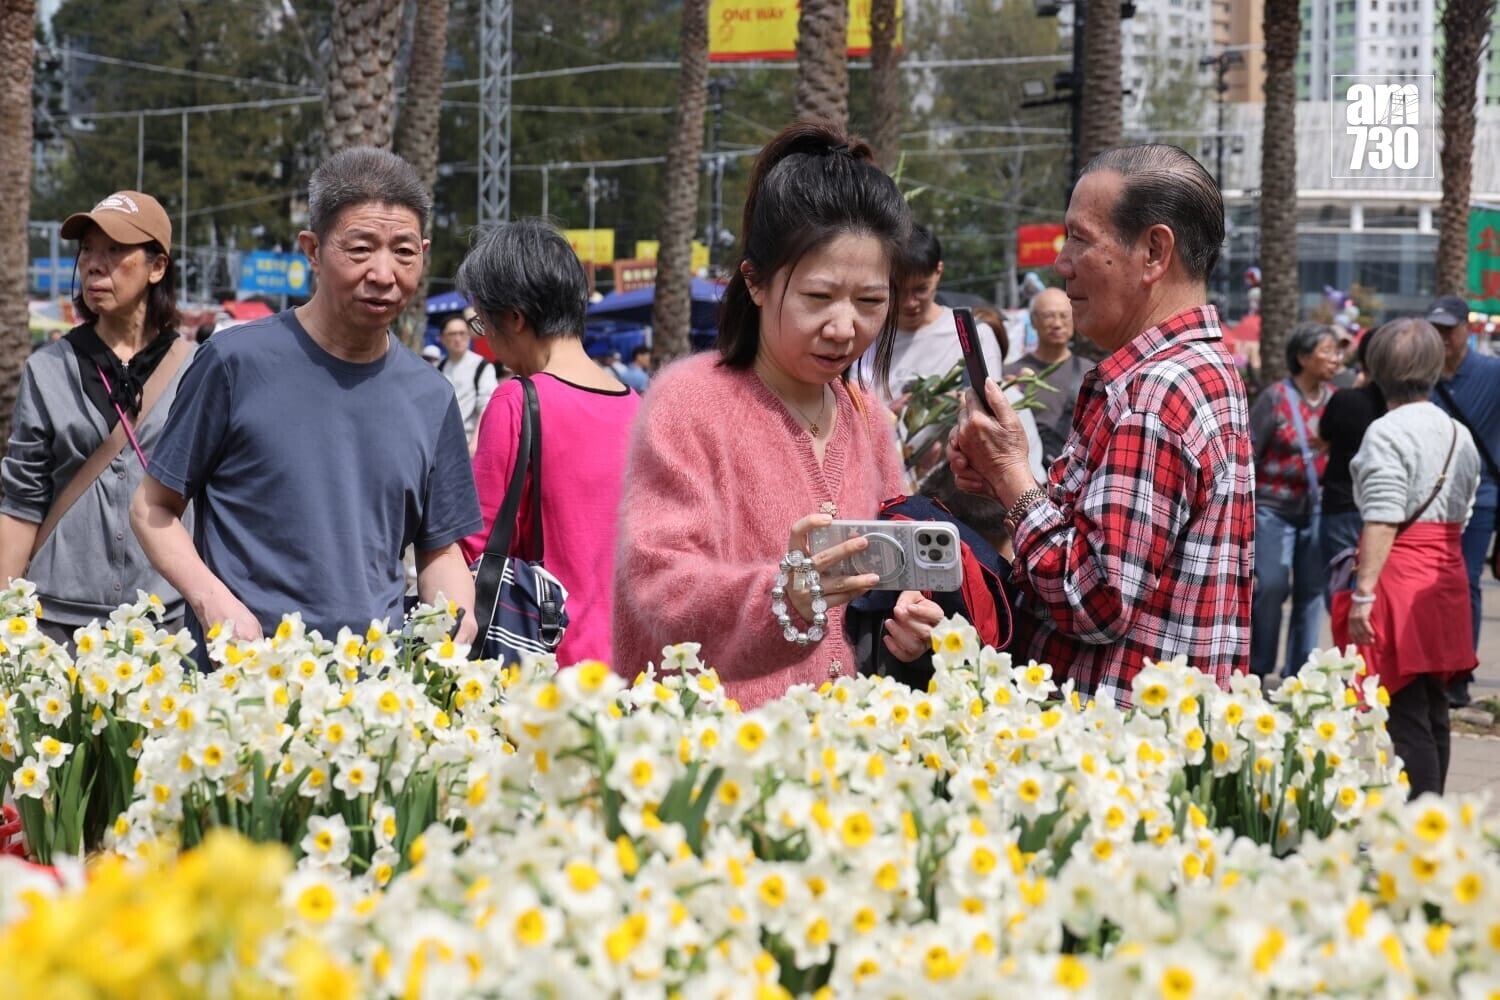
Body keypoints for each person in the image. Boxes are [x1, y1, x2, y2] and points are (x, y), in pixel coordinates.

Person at [612, 120, 945, 709]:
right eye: (818, 298)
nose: (845, 328)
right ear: (757, 283)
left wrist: (908, 623)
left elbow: (890, 583)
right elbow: (656, 586)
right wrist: (785, 595)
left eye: (871, 301)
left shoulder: (867, 420)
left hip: (843, 760)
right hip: (719, 763)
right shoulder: (688, 403)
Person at [131, 148, 482, 649]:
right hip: (245, 683)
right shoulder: (234, 363)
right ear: (312, 250)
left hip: (377, 699)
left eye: (404, 252)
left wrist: (454, 616)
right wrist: (212, 599)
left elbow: (440, 551)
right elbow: (151, 507)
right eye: (360, 249)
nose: (384, 273)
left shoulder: (431, 396)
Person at [948, 144, 1254, 706]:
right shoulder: (1195, 370)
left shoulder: (1155, 392)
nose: (1062, 264)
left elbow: (1091, 599)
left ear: (1154, 251)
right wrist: (1004, 467)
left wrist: (1013, 479)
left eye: (1081, 239)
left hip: (1113, 752)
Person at [1, 190, 194, 644]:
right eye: (87, 248)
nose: (94, 263)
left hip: (166, 624)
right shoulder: (47, 370)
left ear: (157, 267)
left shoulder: (199, 370)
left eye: (115, 250)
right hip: (57, 626)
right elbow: (21, 501)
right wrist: (7, 623)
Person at [457, 220, 640, 667]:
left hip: (544, 662)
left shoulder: (517, 401)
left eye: (483, 322)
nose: (488, 342)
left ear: (515, 318)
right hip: (630, 667)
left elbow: (475, 548)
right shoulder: (638, 407)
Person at [1336, 319, 1480, 797]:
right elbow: (1467, 507)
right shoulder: (1459, 433)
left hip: (1399, 577)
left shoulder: (1385, 432)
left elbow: (1382, 518)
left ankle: (1419, 822)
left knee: (1403, 708)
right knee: (1434, 703)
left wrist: (1363, 595)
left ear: (1377, 369)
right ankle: (1434, 815)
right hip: (1448, 574)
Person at [858, 226, 1045, 482]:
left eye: (921, 289)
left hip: (948, 490)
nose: (910, 302)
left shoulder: (970, 335)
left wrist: (942, 404)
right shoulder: (866, 336)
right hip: (878, 480)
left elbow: (984, 415)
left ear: (938, 272)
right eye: (898, 291)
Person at [1248, 321, 1343, 677]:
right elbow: (1250, 453)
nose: (1336, 359)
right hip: (1273, 509)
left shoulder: (1336, 399)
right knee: (1271, 585)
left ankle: (1299, 675)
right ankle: (1257, 669)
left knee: (1312, 593)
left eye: (1337, 351)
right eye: (1328, 351)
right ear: (1303, 357)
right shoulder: (1275, 397)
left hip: (1318, 512)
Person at [1427, 294, 1500, 708]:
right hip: (1429, 499)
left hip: (1481, 496)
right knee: (1430, 584)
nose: (1441, 338)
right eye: (1434, 330)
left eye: (1447, 330)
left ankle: (1460, 672)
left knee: (1465, 582)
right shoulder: (1422, 372)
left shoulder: (1491, 372)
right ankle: (1431, 667)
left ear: (1465, 331)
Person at [1318, 325, 1388, 597]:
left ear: (1362, 362)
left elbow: (1323, 437)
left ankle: (1347, 640)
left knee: (1340, 594)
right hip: (1387, 510)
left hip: (1341, 506)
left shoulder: (1344, 400)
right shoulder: (1404, 409)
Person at [1005, 287, 1089, 467]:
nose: (1057, 323)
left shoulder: (1092, 373)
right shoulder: (1010, 375)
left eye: (1064, 315)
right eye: (1048, 316)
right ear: (1033, 321)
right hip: (1024, 472)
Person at [438, 312, 499, 447]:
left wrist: (475, 442)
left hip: (469, 441)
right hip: (442, 443)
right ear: (442, 338)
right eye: (452, 334)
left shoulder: (482, 366)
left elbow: (487, 406)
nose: (458, 339)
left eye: (462, 333)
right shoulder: (438, 367)